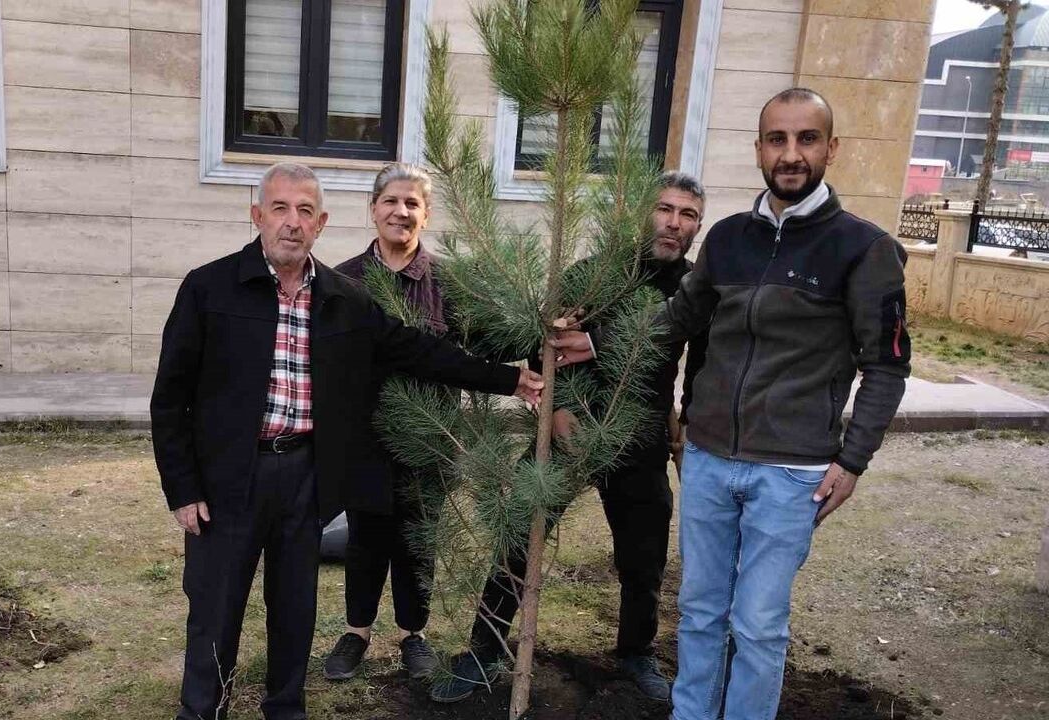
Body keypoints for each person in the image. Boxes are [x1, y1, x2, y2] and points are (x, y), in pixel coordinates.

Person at [551, 88, 911, 720]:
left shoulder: (864, 249)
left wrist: (852, 461)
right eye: (778, 139)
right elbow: (678, 320)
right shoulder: (726, 240)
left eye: (806, 139)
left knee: (759, 623)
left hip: (790, 470)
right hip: (713, 460)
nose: (791, 154)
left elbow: (886, 365)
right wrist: (596, 340)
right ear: (759, 149)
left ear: (832, 148)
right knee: (699, 613)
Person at [150, 162, 545, 720]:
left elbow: (416, 349)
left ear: (322, 223)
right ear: (257, 215)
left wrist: (509, 377)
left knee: (295, 609)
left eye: (305, 211)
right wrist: (182, 487)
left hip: (303, 479)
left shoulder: (344, 299)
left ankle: (285, 708)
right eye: (281, 209)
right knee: (215, 610)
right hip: (226, 481)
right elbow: (170, 398)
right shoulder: (208, 288)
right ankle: (203, 710)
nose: (293, 222)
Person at [430, 171, 711, 704]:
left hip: (639, 437)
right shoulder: (594, 274)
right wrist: (558, 412)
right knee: (519, 539)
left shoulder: (696, 290)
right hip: (568, 431)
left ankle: (635, 652)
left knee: (644, 553)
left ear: (698, 225)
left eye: (688, 214)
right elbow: (546, 347)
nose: (674, 223)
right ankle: (484, 650)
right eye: (665, 208)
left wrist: (686, 428)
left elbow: (700, 369)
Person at [323, 164, 447, 681]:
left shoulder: (450, 283)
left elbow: (481, 348)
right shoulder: (342, 279)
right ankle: (356, 633)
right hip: (365, 439)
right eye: (391, 201)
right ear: (373, 209)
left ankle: (413, 635)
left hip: (428, 439)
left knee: (418, 538)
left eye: (412, 204)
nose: (401, 212)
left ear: (426, 214)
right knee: (366, 536)